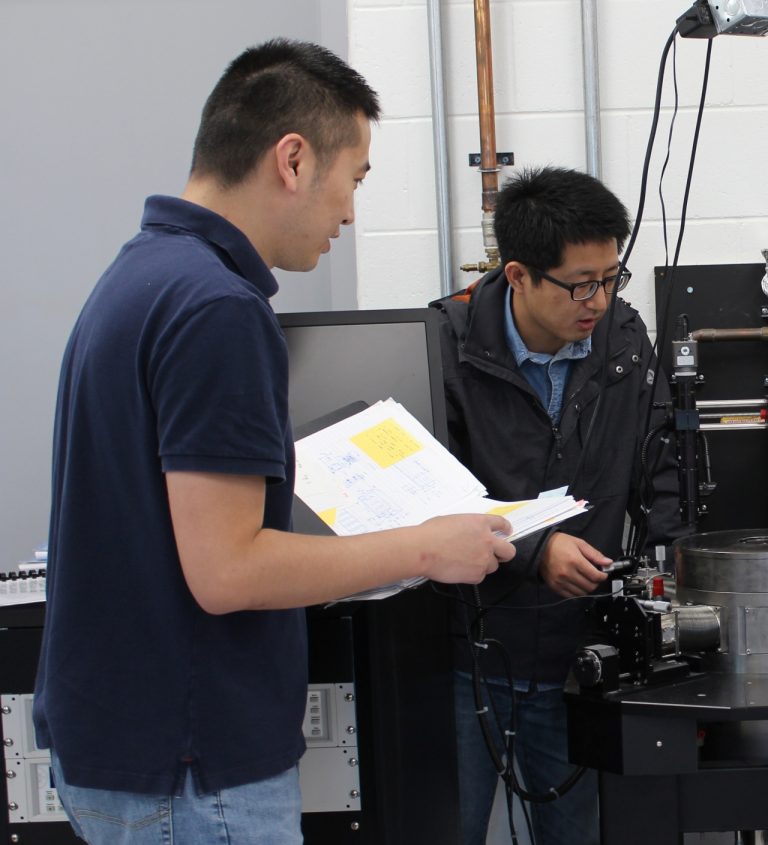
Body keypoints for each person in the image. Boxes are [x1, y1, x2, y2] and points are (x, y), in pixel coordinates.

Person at [35, 39, 515, 845]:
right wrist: (424, 547)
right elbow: (227, 571)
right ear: (293, 159)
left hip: (126, 747)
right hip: (191, 768)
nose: (351, 214)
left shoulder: (143, 276)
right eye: (353, 180)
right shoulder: (217, 308)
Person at [431, 166, 684, 845]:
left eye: (611, 277)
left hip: (582, 656)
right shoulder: (445, 347)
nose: (597, 300)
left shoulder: (623, 338)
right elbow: (432, 500)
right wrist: (536, 551)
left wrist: (675, 566)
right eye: (580, 283)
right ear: (518, 275)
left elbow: (662, 463)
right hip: (470, 655)